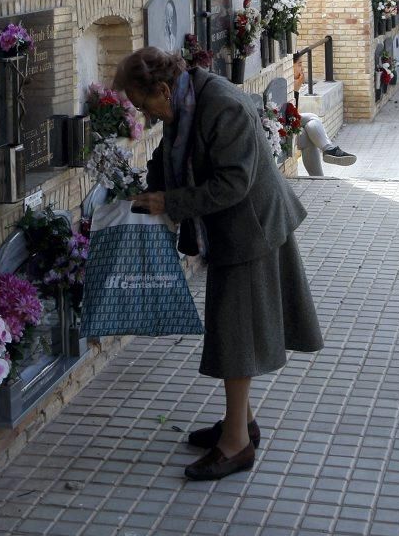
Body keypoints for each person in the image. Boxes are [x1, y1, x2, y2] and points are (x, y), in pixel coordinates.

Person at [114, 47, 322, 482]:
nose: (141, 113)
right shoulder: (185, 102)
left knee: (235, 334)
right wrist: (142, 191)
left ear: (163, 89)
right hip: (232, 228)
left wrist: (170, 202)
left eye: (141, 102)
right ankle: (239, 423)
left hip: (252, 227)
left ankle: (236, 447)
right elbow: (168, 155)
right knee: (232, 327)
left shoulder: (221, 105)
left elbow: (233, 182)